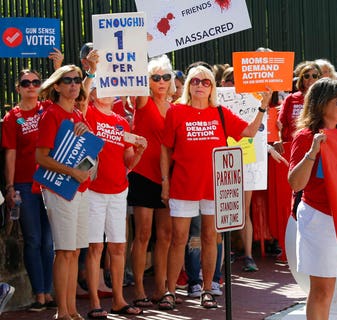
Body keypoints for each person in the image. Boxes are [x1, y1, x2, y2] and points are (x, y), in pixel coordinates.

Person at [160, 65, 271, 310]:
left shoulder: (220, 113)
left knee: (211, 237)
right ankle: (170, 291)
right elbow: (166, 148)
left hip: (214, 186)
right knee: (179, 238)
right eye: (195, 81)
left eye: (205, 81)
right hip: (183, 185)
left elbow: (250, 132)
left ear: (212, 87)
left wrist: (263, 106)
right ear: (188, 85)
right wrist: (165, 182)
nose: (199, 85)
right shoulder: (176, 112)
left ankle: (208, 289)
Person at [288, 78, 337, 319]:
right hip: (320, 219)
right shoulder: (305, 137)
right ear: (321, 104)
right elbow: (296, 183)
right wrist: (312, 152)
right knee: (323, 291)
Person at [83, 84, 147, 318]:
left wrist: (139, 151)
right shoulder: (88, 113)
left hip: (119, 191)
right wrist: (90, 74)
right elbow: (80, 96)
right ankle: (94, 301)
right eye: (102, 86)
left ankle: (119, 299)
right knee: (95, 247)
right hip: (93, 190)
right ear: (93, 92)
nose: (108, 90)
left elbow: (128, 161)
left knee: (118, 246)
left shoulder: (122, 121)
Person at [36, 64, 94, 320]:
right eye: (68, 80)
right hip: (59, 190)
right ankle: (62, 312)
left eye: (77, 80)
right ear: (57, 86)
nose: (73, 84)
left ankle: (71, 310)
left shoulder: (79, 116)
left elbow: (90, 155)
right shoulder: (51, 114)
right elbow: (41, 157)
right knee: (64, 251)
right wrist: (73, 173)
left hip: (81, 190)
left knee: (75, 251)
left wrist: (90, 136)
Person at [2, 69, 57, 312]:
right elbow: (10, 154)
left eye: (36, 82)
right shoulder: (12, 118)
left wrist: (59, 66)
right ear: (18, 88)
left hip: (51, 182)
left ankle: (49, 290)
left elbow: (67, 89)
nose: (31, 86)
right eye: (26, 83)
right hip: (25, 184)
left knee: (49, 242)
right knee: (33, 239)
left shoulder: (46, 108)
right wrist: (10, 187)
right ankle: (40, 294)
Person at [128, 54, 176, 308]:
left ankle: (161, 288)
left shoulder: (176, 108)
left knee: (165, 235)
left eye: (165, 77)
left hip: (168, 177)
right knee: (143, 234)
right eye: (155, 77)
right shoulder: (142, 102)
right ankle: (137, 288)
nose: (161, 81)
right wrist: (141, 45)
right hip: (143, 174)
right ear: (147, 81)